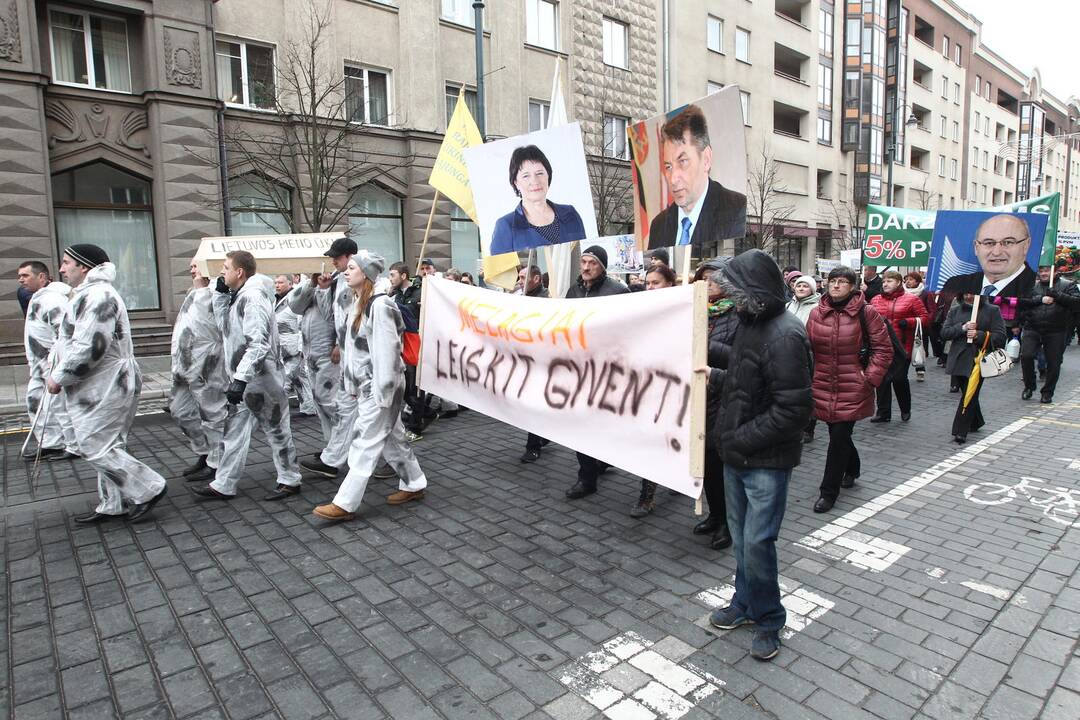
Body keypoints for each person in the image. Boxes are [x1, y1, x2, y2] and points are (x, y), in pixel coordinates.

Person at [705, 249, 813, 662]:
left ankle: (769, 619)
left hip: (764, 461)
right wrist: (714, 369)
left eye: (733, 287)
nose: (726, 294)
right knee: (743, 539)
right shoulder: (753, 323)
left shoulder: (786, 333)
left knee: (757, 542)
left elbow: (793, 410)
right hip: (737, 453)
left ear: (755, 290)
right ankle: (744, 603)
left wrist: (741, 439)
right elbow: (746, 371)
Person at [47, 244, 168, 524]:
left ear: (85, 267)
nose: (62, 268)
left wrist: (59, 376)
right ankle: (113, 503)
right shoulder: (89, 294)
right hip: (98, 384)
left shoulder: (100, 296)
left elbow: (91, 346)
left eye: (67, 263)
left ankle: (150, 488)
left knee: (93, 445)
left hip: (107, 384)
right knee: (109, 443)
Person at [313, 252, 428, 521]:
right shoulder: (357, 303)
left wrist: (383, 393)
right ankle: (414, 482)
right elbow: (354, 352)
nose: (345, 271)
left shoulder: (381, 305)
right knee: (392, 438)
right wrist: (352, 385)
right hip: (367, 387)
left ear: (365, 273)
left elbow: (388, 354)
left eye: (352, 267)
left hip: (381, 387)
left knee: (365, 441)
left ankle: (345, 502)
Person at [189, 251, 303, 500]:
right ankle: (224, 484)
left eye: (225, 268)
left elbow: (258, 344)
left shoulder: (251, 298)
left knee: (276, 430)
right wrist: (220, 294)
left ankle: (290, 479)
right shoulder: (238, 297)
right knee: (233, 432)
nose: (221, 272)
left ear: (239, 272)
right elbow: (225, 327)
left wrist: (240, 379)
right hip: (244, 382)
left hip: (263, 380)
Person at [805, 266, 893, 514]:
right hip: (822, 384)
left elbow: (883, 350)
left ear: (853, 287)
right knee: (838, 433)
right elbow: (807, 348)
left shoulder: (868, 313)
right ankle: (852, 468)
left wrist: (869, 378)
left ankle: (828, 492)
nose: (836, 285)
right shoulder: (816, 313)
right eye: (832, 281)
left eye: (842, 282)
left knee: (839, 436)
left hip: (853, 385)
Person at [564, 246, 629, 499]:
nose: (586, 267)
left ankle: (602, 459)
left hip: (607, 369)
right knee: (581, 423)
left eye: (592, 262)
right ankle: (586, 477)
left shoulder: (618, 292)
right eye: (583, 262)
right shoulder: (574, 290)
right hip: (580, 369)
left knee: (604, 423)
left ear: (602, 266)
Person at [685, 259, 736, 551]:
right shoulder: (693, 311)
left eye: (713, 279)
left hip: (723, 397)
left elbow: (739, 357)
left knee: (720, 464)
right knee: (704, 465)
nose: (707, 284)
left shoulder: (739, 314)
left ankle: (729, 522)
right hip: (696, 398)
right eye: (702, 279)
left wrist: (704, 343)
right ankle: (715, 514)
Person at [301, 238, 361, 478]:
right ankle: (334, 456)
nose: (333, 261)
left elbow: (354, 318)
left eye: (337, 257)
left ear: (350, 256)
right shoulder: (338, 281)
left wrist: (338, 343)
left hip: (357, 357)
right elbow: (331, 316)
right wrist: (324, 290)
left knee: (353, 410)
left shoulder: (362, 280)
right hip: (349, 356)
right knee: (356, 412)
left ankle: (334, 458)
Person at [648, 105, 747, 251]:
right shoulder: (659, 225)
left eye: (683, 161)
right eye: (668, 166)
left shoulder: (735, 209)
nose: (673, 179)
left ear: (706, 159)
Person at [169, 260, 229, 482]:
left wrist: (203, 289)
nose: (191, 270)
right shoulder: (195, 292)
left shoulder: (217, 291)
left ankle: (216, 462)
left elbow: (213, 323)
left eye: (195, 266)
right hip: (184, 365)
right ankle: (204, 452)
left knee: (212, 416)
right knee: (180, 411)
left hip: (207, 365)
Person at [629, 263, 680, 518]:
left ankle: (680, 477)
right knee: (650, 440)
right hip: (646, 386)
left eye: (656, 282)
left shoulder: (683, 311)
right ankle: (646, 496)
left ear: (670, 284)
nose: (650, 287)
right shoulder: (640, 309)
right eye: (648, 283)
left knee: (671, 437)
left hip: (673, 387)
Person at [18, 260, 77, 461]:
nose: (21, 280)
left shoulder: (53, 299)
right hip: (38, 366)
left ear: (41, 277)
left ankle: (73, 445)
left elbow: (65, 333)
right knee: (36, 403)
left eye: (25, 275)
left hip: (51, 363)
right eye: (20, 276)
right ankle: (51, 443)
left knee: (59, 406)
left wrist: (59, 363)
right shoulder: (39, 298)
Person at [490, 145, 587, 254]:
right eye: (526, 176)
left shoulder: (570, 214)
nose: (535, 181)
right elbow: (501, 270)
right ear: (516, 183)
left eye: (539, 173)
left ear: (548, 176)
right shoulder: (506, 226)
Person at [941, 294, 1006, 443]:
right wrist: (963, 328)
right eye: (966, 293)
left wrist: (980, 335)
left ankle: (960, 430)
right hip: (958, 358)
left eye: (973, 293)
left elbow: (1001, 336)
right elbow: (944, 333)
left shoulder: (992, 310)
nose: (969, 296)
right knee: (967, 390)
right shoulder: (955, 310)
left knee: (970, 392)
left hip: (978, 359)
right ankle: (976, 421)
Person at [287, 269, 339, 446]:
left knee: (330, 401)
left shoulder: (340, 282)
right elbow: (295, 307)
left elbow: (335, 316)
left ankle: (340, 447)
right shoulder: (310, 283)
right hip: (311, 353)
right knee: (319, 401)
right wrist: (311, 285)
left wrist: (339, 343)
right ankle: (332, 445)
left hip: (328, 352)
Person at [870, 270, 928, 422]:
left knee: (899, 379)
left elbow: (925, 318)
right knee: (881, 380)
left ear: (898, 282)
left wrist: (909, 322)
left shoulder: (911, 299)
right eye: (883, 282)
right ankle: (883, 413)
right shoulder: (875, 300)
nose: (885, 284)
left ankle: (905, 409)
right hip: (881, 347)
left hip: (902, 347)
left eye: (889, 281)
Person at [1017, 266, 1080, 403]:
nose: (1043, 274)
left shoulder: (1068, 285)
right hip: (1032, 327)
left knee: (1053, 363)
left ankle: (1047, 392)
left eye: (1047, 270)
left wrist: (1058, 295)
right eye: (1041, 271)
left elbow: (1076, 303)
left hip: (1056, 330)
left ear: (1055, 271)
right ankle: (1029, 386)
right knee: (1026, 356)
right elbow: (1021, 301)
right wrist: (1040, 299)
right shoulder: (1031, 286)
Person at [941, 214, 1037, 297]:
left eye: (1008, 242)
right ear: (976, 247)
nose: (996, 252)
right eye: (989, 243)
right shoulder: (955, 285)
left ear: (1026, 245)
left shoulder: (1037, 288)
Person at [517, 265, 552, 464]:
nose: (520, 281)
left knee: (534, 403)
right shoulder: (521, 298)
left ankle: (533, 446)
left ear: (536, 279)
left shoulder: (545, 302)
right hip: (524, 360)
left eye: (523, 277)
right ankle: (543, 435)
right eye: (519, 278)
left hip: (540, 362)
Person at [388, 262, 426, 440]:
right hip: (400, 344)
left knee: (414, 388)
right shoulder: (394, 295)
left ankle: (415, 427)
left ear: (403, 276)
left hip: (416, 343)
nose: (390, 279)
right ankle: (429, 412)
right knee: (405, 389)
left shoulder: (419, 293)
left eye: (393, 275)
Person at [785, 274, 821, 443]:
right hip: (787, 353)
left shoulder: (818, 308)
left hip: (809, 354)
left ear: (812, 289)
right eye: (798, 286)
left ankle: (808, 428)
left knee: (808, 392)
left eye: (805, 286)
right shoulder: (787, 305)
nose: (800, 288)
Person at [273, 274, 315, 416]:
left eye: (280, 282)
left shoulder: (297, 299)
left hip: (293, 347)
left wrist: (301, 347)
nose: (277, 285)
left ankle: (278, 410)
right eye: (276, 282)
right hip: (282, 345)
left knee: (285, 377)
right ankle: (309, 407)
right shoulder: (277, 300)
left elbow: (302, 324)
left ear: (290, 283)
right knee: (299, 377)